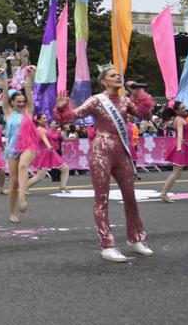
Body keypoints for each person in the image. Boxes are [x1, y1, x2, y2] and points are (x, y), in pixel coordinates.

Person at [54, 67, 155, 262]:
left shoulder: (126, 100)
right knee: (102, 199)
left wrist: (139, 94)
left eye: (119, 75)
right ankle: (107, 244)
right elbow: (72, 116)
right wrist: (61, 107)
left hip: (122, 151)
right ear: (103, 81)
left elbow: (147, 116)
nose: (117, 77)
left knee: (130, 197)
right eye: (112, 75)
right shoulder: (96, 100)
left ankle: (136, 238)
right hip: (101, 150)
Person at [0, 66, 38, 224]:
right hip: (13, 148)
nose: (21, 104)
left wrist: (29, 76)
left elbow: (28, 90)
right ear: (13, 103)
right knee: (13, 182)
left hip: (28, 146)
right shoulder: (8, 113)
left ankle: (22, 197)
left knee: (23, 167)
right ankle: (12, 213)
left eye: (23, 102)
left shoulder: (29, 112)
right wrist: (3, 77)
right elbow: (5, 95)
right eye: (18, 102)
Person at [158, 107, 188, 202]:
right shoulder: (179, 120)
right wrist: (179, 147)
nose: (185, 109)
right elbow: (180, 134)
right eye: (182, 108)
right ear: (177, 111)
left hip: (186, 146)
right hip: (182, 146)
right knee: (177, 172)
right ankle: (163, 193)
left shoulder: (178, 119)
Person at [26, 114, 70, 193]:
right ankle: (24, 189)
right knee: (40, 177)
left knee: (65, 168)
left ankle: (62, 186)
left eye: (46, 118)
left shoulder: (46, 128)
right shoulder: (40, 129)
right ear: (38, 120)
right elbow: (44, 139)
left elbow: (57, 136)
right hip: (44, 153)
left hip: (51, 152)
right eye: (43, 118)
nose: (45, 120)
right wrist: (49, 146)